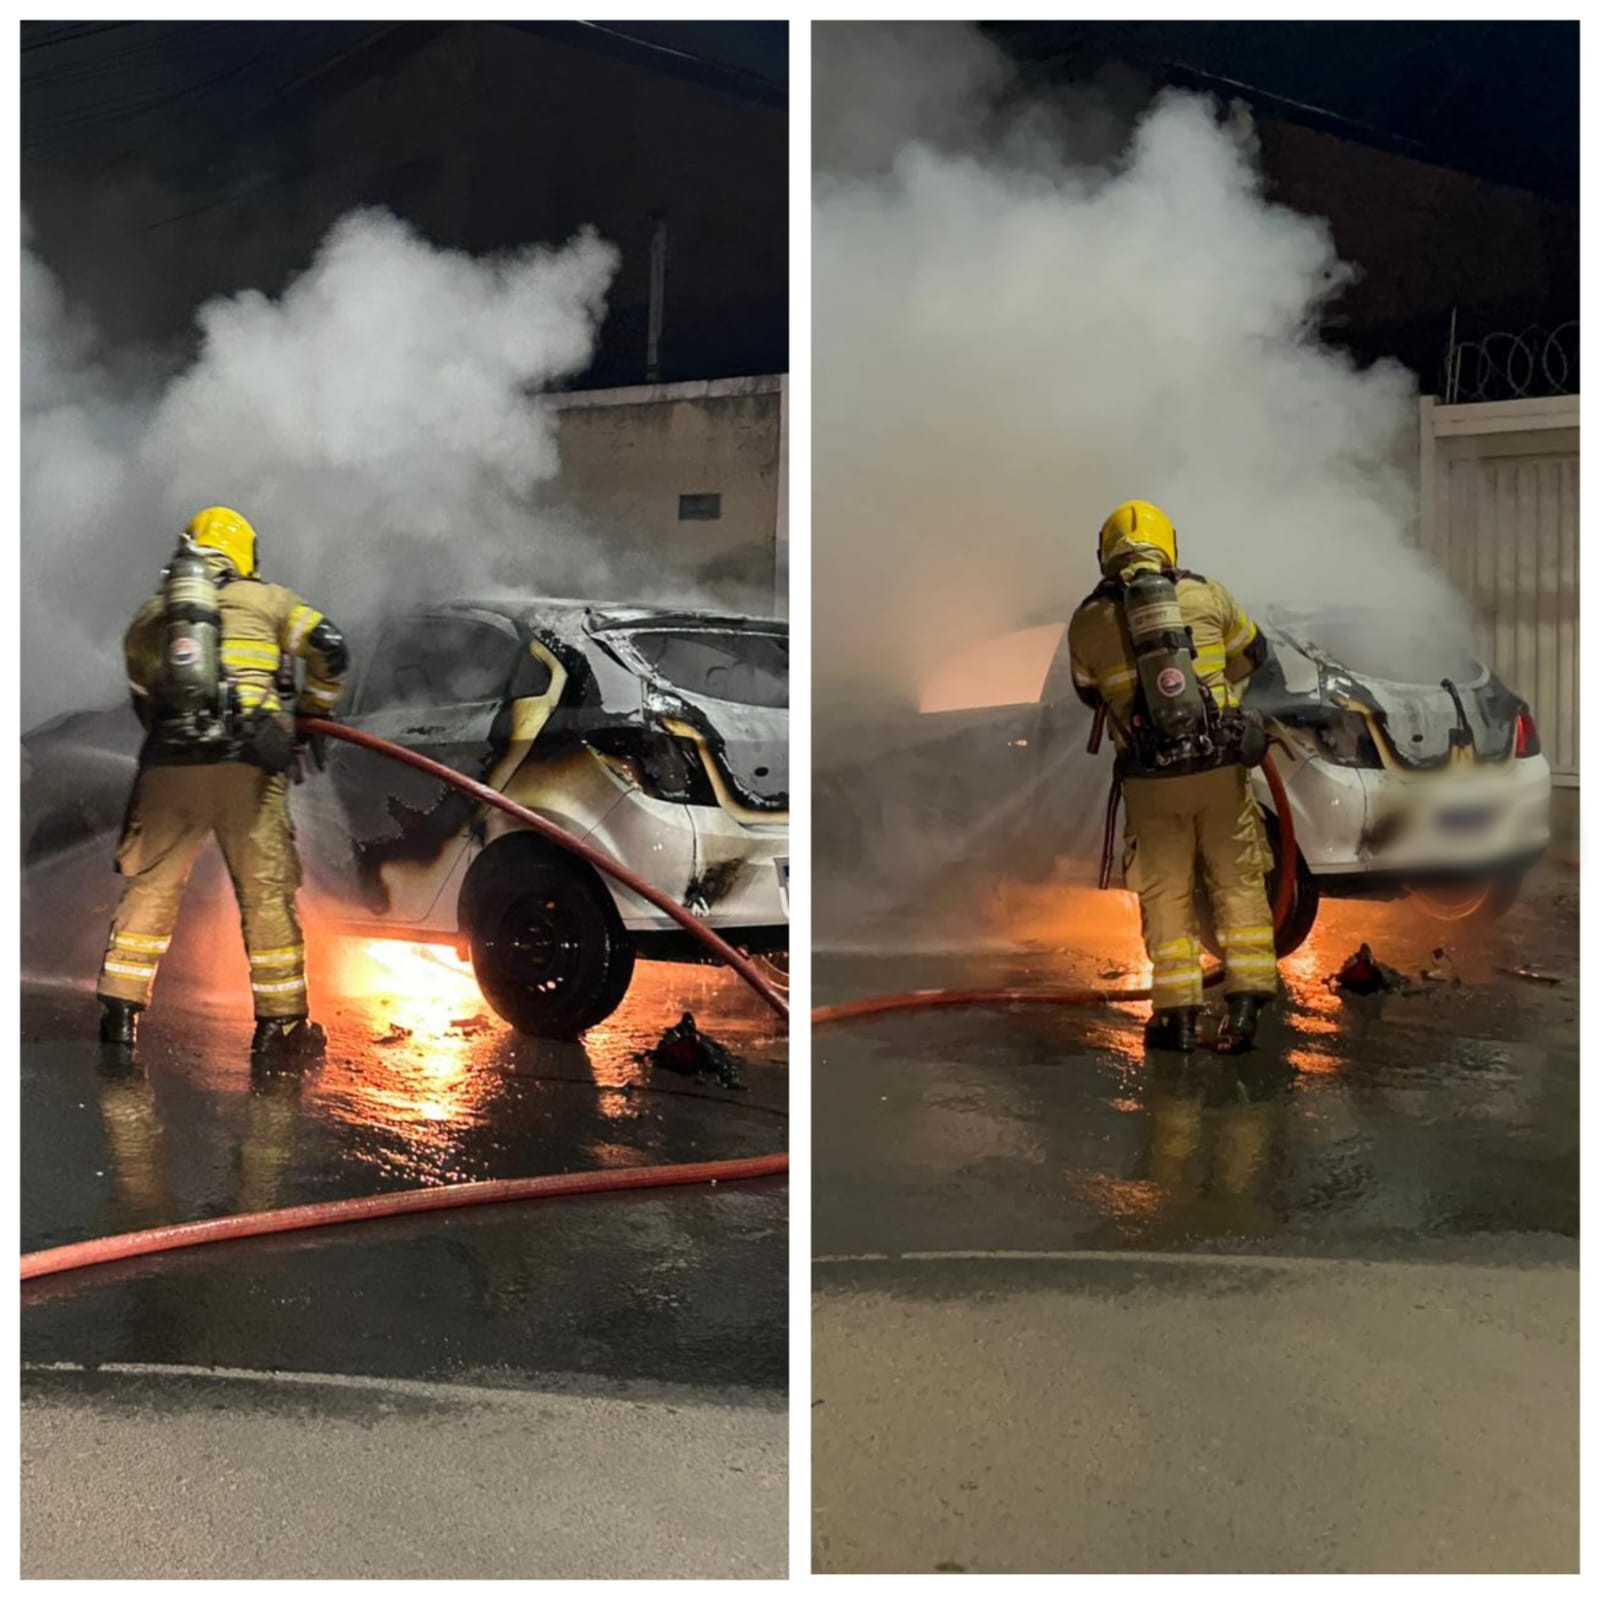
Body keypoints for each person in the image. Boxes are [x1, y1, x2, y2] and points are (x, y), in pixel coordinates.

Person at [96, 505, 348, 1062]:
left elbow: (143, 690)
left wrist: (173, 738)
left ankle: (119, 1014)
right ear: (244, 555)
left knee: (150, 889)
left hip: (168, 768)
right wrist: (311, 713)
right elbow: (331, 646)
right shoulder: (269, 601)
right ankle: (280, 1028)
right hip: (247, 769)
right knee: (264, 895)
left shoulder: (154, 615)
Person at [1068, 499, 1278, 1054]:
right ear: (1170, 545)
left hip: (1149, 779)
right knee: (1237, 878)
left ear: (1105, 555)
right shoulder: (1207, 594)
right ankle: (1249, 1000)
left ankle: (1178, 1017)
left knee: (1166, 892)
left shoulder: (1088, 621)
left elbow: (1087, 691)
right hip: (1220, 769)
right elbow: (1253, 654)